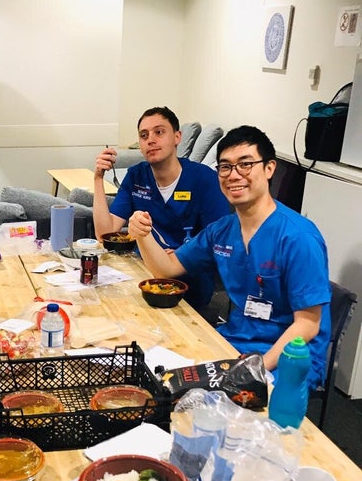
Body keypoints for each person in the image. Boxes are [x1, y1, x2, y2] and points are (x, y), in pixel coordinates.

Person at [127, 125, 331, 389]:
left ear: (269, 168)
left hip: (289, 357)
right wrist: (142, 234)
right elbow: (166, 270)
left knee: (216, 404)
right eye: (225, 167)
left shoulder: (298, 237)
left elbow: (308, 324)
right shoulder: (222, 230)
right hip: (236, 341)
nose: (234, 175)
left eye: (245, 164)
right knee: (157, 376)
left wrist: (253, 369)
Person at [93, 107, 230, 307]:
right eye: (144, 135)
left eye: (159, 132)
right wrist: (98, 178)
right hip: (143, 273)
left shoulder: (204, 179)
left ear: (177, 137)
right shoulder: (136, 176)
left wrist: (179, 256)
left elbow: (219, 239)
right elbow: (104, 233)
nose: (151, 140)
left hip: (188, 284)